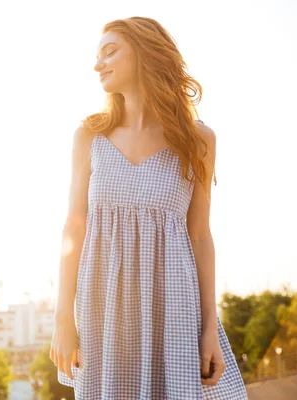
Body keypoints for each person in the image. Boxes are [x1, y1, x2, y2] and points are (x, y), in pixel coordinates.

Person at [49, 16, 248, 399]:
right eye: (96, 55)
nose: (97, 64)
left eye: (110, 51)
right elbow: (74, 226)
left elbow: (200, 236)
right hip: (102, 307)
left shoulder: (198, 141)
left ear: (144, 53)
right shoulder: (89, 136)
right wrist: (63, 318)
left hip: (173, 305)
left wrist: (210, 327)